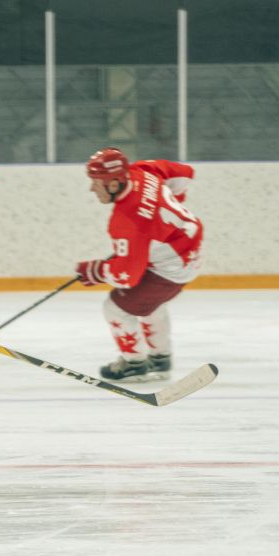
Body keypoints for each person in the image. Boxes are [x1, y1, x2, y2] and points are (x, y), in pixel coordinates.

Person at [74, 148, 203, 383]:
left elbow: (127, 276)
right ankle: (160, 358)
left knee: (116, 307)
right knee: (148, 304)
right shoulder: (141, 171)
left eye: (96, 182)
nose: (92, 189)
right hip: (186, 247)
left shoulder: (126, 221)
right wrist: (166, 211)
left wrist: (97, 271)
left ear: (114, 183)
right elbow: (184, 173)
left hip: (171, 266)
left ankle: (134, 363)